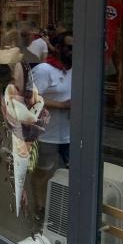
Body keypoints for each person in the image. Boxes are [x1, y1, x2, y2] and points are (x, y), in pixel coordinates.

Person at [30, 33, 73, 218]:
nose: (73, 52)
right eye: (69, 47)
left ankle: (66, 210)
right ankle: (39, 206)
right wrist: (63, 105)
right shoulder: (44, 70)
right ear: (57, 48)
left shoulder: (76, 69)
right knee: (42, 172)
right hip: (47, 134)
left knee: (72, 173)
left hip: (71, 134)